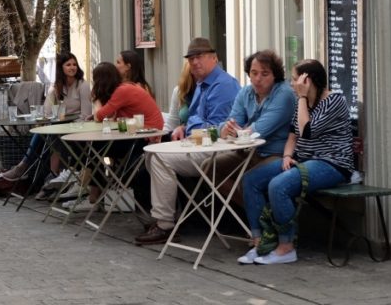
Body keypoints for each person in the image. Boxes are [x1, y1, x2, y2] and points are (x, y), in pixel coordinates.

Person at [238, 59, 354, 265]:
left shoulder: (334, 100)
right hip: (302, 160)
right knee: (251, 180)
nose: (292, 84)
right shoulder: (303, 102)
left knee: (278, 185)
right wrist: (287, 156)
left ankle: (286, 246)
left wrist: (301, 97)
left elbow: (307, 132)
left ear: (307, 80)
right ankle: (260, 242)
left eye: (295, 79)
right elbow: (293, 134)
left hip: (331, 164)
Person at [135, 37, 240, 245]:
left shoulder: (223, 85)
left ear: (214, 58)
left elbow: (216, 130)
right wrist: (185, 126)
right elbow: (196, 121)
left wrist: (191, 125)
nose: (194, 63)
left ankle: (165, 224)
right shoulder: (201, 83)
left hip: (219, 150)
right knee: (151, 153)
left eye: (199, 57)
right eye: (191, 59)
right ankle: (167, 216)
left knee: (160, 158)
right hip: (199, 143)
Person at [204, 49, 296, 201]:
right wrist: (225, 129)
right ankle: (253, 210)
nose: (258, 79)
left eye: (264, 74)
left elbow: (258, 131)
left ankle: (258, 214)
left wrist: (238, 132)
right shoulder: (246, 92)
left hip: (277, 154)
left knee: (248, 179)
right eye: (253, 73)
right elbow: (231, 122)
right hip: (251, 152)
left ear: (275, 76)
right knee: (208, 167)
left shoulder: (284, 94)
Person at [0, 52, 92, 188]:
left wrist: (67, 125)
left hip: (77, 126)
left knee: (50, 132)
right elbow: (47, 111)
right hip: (59, 124)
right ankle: (46, 175)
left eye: (74, 64)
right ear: (61, 68)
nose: (72, 67)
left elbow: (86, 114)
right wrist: (53, 91)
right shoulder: (57, 86)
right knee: (45, 130)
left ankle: (27, 167)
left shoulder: (82, 85)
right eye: (68, 65)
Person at [87, 61, 164, 206]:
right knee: (97, 146)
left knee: (96, 147)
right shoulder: (126, 87)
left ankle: (94, 192)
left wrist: (96, 98)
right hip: (142, 133)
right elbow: (114, 117)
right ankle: (96, 190)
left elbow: (99, 116)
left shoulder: (122, 91)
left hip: (145, 137)